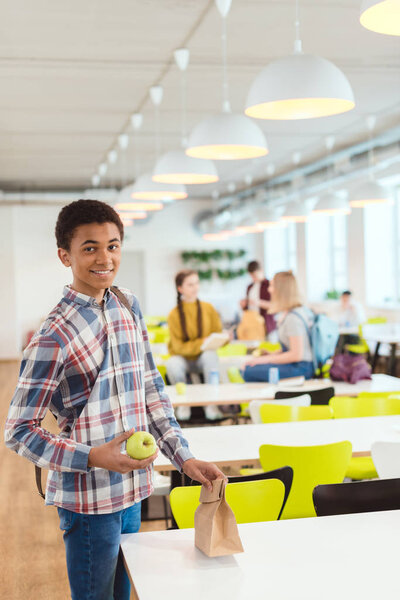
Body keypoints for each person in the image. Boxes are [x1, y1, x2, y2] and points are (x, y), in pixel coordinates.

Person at [4, 199, 224, 600]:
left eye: (113, 245)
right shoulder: (53, 336)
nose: (104, 258)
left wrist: (184, 458)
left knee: (124, 594)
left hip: (135, 489)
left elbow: (151, 390)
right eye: (90, 247)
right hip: (90, 502)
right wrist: (93, 456)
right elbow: (19, 432)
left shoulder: (126, 305)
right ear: (64, 256)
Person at [166, 269, 224, 421]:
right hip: (184, 359)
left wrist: (225, 337)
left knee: (210, 355)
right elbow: (177, 347)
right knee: (172, 363)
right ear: (180, 289)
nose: (195, 287)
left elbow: (217, 334)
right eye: (190, 284)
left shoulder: (208, 308)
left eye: (197, 283)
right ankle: (183, 404)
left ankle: (211, 403)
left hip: (203, 359)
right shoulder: (174, 314)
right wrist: (201, 343)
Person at [243, 270, 315, 382]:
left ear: (281, 290)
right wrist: (270, 355)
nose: (269, 289)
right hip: (296, 364)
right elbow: (290, 349)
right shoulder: (288, 313)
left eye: (272, 286)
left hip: (301, 368)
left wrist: (265, 360)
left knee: (249, 372)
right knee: (250, 368)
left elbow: (296, 355)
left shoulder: (293, 317)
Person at [240, 260, 276, 338]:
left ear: (261, 271)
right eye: (251, 276)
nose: (253, 278)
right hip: (253, 324)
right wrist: (244, 305)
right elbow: (248, 308)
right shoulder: (250, 287)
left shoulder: (269, 285)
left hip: (267, 325)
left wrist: (258, 303)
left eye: (255, 275)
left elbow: (275, 306)